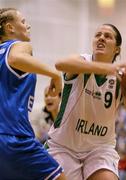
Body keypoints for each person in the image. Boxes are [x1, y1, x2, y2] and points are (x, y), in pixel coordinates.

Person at [47, 23, 126, 180]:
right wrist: (110, 69)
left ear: (117, 49)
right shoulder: (81, 61)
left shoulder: (124, 79)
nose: (101, 38)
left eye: (108, 36)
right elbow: (60, 64)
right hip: (63, 147)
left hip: (99, 149)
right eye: (98, 35)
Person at [0, 8, 66, 180]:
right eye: (22, 22)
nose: (27, 25)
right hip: (14, 137)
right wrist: (55, 74)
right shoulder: (19, 45)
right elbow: (15, 58)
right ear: (10, 28)